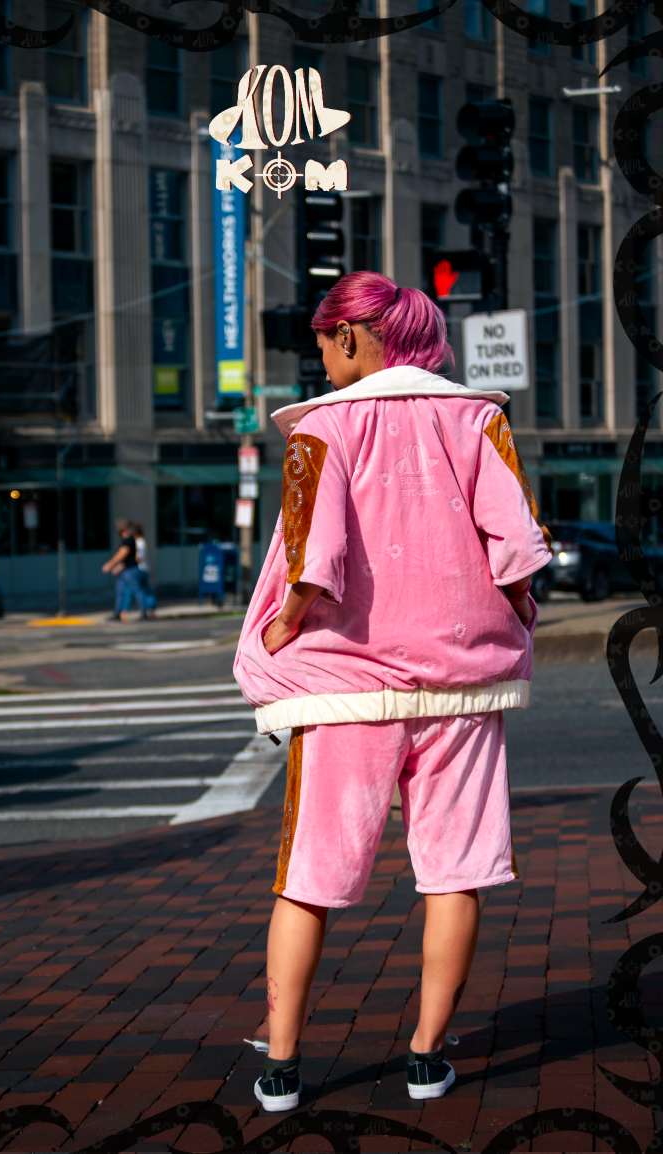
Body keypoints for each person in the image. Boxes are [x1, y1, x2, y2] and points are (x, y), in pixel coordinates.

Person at [233, 273, 551, 1112]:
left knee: (309, 873)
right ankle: (424, 1055)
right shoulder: (477, 417)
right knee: (456, 870)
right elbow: (515, 548)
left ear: (351, 339)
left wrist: (281, 627)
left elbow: (313, 554)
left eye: (324, 345)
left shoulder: (324, 429)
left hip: (346, 684)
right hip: (461, 682)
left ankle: (285, 1065)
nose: (322, 362)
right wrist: (513, 618)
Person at [102, 518, 150, 622]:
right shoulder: (130, 539)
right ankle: (118, 613)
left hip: (131, 570)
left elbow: (123, 554)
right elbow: (127, 558)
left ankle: (144, 613)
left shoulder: (129, 539)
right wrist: (119, 567)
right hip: (126, 570)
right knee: (120, 590)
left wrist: (109, 565)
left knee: (137, 591)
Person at [120, 523, 156, 616]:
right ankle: (151, 609)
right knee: (145, 590)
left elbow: (139, 557)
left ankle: (126, 611)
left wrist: (129, 559)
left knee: (133, 591)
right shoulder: (143, 541)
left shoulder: (138, 542)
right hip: (145, 568)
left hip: (139, 568)